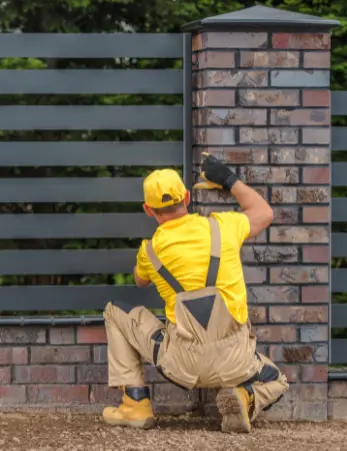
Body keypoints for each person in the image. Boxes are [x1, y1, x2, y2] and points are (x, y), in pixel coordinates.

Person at [101, 153, 289, 433]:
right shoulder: (223, 227)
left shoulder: (150, 251)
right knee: (277, 380)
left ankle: (135, 403)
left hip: (181, 365)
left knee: (114, 311)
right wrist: (229, 180)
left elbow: (140, 281)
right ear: (187, 198)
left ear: (148, 210)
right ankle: (245, 396)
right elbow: (264, 213)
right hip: (236, 363)